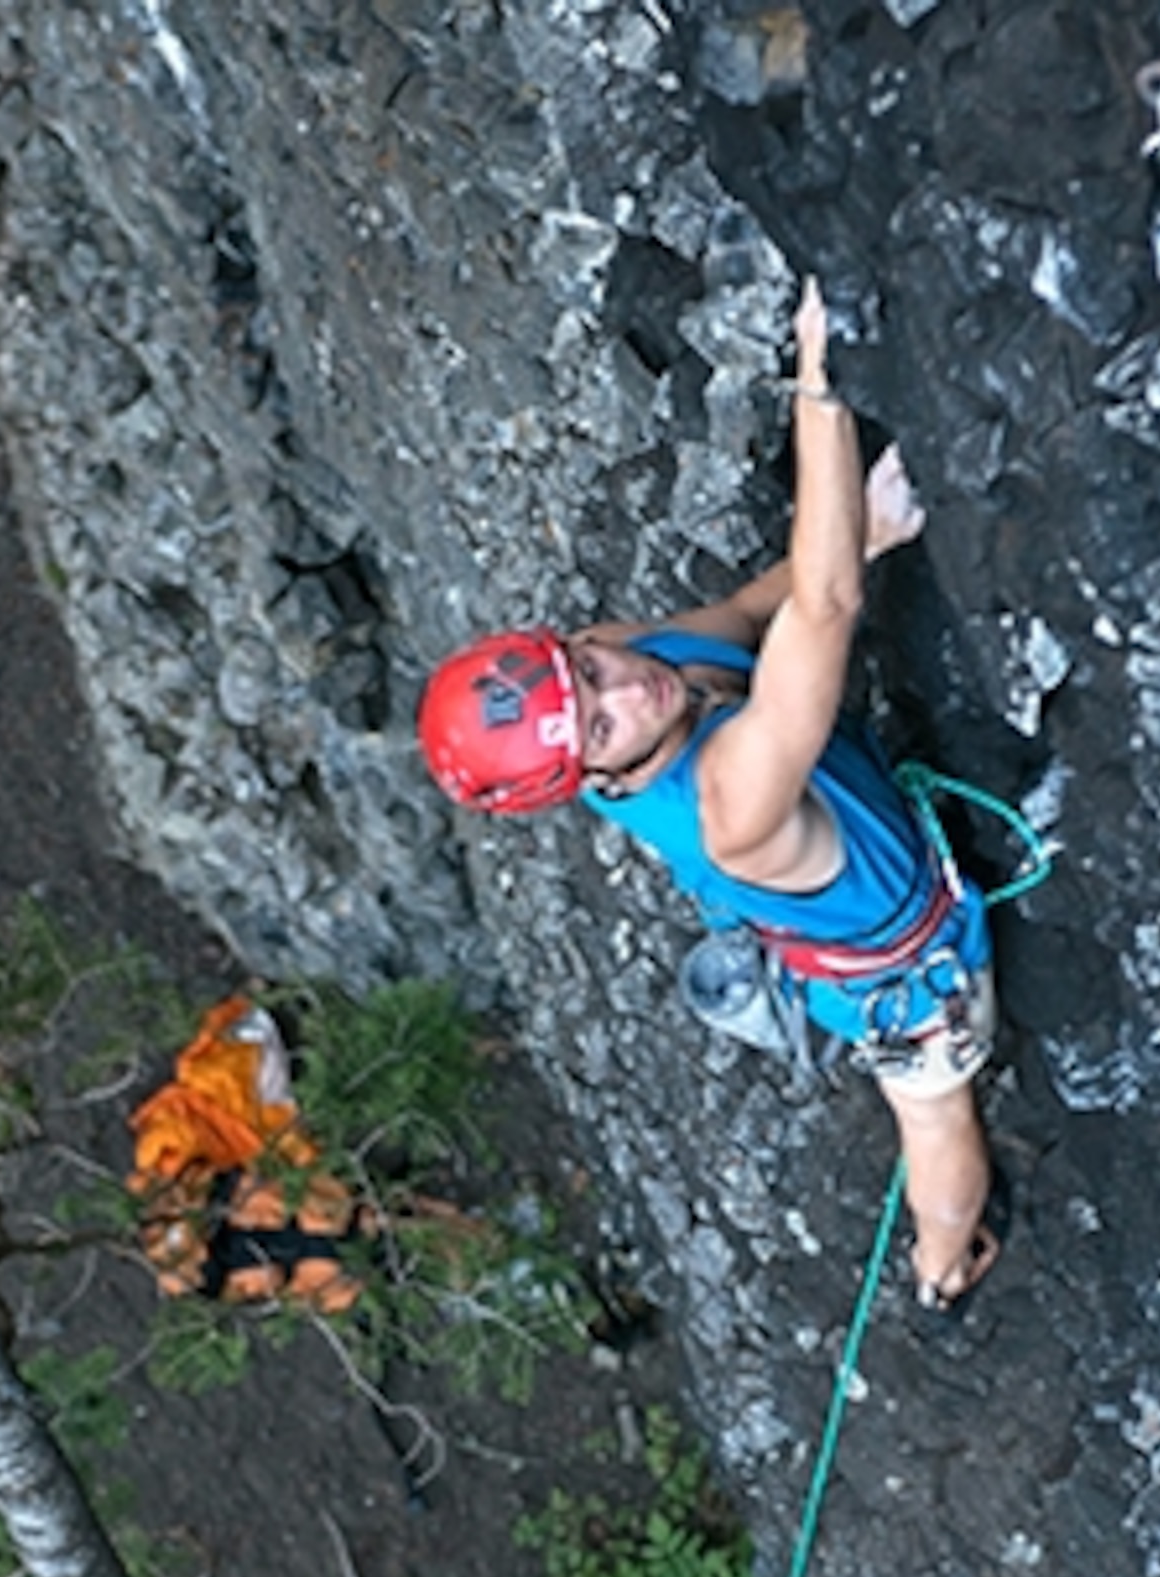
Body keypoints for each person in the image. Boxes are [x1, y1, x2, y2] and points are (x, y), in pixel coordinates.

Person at [418, 276, 1004, 1310]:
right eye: (599, 723)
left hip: (836, 844)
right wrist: (819, 387)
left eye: (584, 672)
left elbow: (748, 610)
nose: (625, 690)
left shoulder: (624, 660)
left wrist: (861, 529)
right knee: (936, 1115)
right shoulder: (728, 804)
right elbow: (821, 607)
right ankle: (942, 1270)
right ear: (591, 774)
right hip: (908, 963)